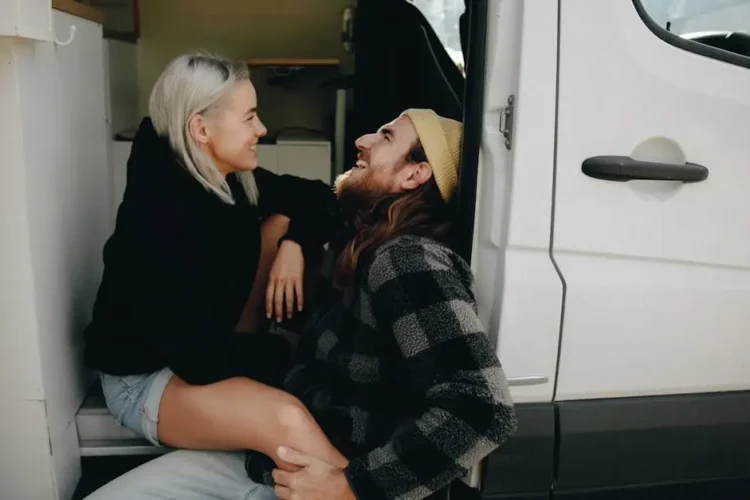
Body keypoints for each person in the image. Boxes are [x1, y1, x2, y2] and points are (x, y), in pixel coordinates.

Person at [84, 109, 517, 500]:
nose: (362, 140)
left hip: (315, 472)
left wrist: (352, 487)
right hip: (269, 453)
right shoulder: (363, 241)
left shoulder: (405, 260)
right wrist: (292, 241)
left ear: (414, 175)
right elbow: (305, 204)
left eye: (385, 137)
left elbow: (481, 407)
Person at [82, 52, 347, 469]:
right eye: (249, 118)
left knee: (282, 219)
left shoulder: (223, 173)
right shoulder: (158, 223)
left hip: (206, 336)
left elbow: (318, 196)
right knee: (289, 418)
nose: (261, 129)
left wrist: (294, 245)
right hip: (149, 379)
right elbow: (199, 363)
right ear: (200, 128)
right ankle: (352, 489)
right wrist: (288, 358)